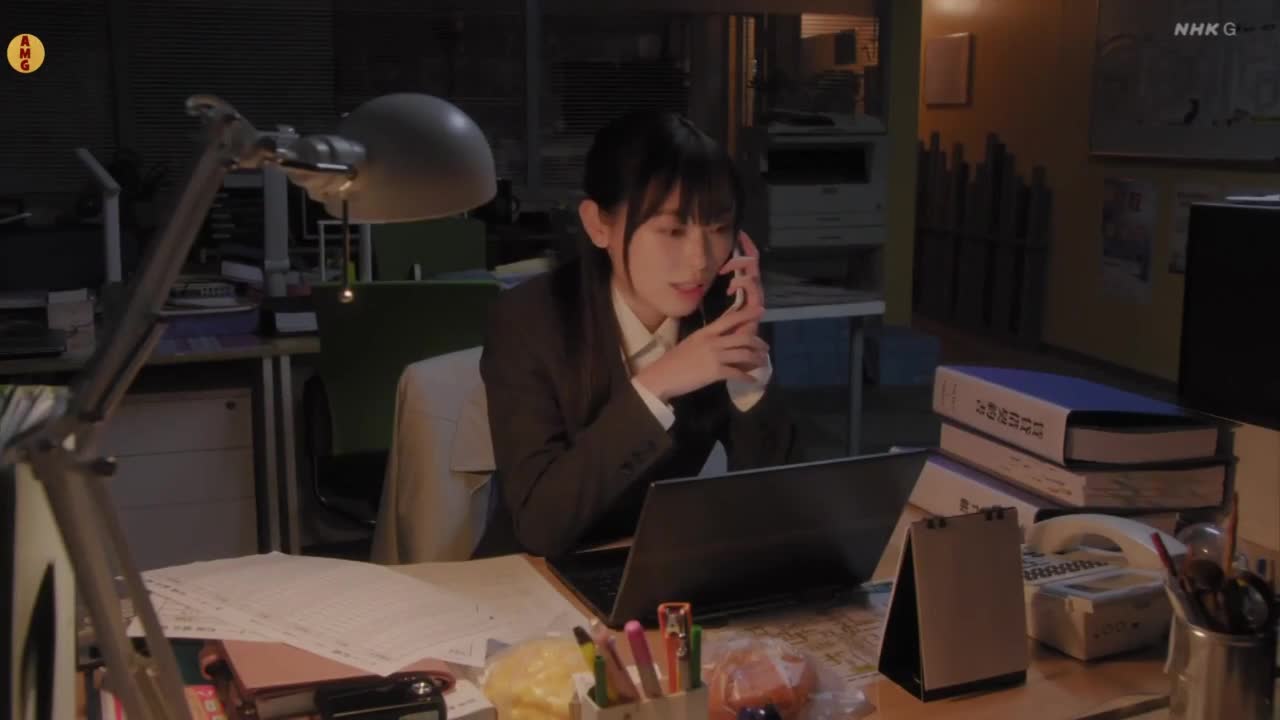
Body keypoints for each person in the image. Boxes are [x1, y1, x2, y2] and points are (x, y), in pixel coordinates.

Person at [473, 110, 797, 558]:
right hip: (527, 574)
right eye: (672, 231)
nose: (701, 260)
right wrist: (657, 384)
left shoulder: (723, 312)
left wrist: (749, 378)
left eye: (719, 229)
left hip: (649, 562)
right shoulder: (528, 320)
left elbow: (778, 506)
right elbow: (540, 525)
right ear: (598, 225)